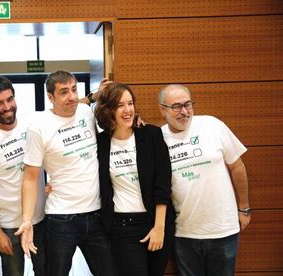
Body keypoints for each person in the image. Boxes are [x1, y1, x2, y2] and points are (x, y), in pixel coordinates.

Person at [15, 70, 116, 276]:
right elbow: (30, 177)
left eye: (73, 89)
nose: (71, 96)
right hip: (62, 219)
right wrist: (26, 220)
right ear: (50, 97)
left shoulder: (86, 112)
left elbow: (84, 103)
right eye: (63, 92)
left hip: (96, 214)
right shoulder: (38, 128)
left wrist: (95, 95)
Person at [158, 84, 251, 276]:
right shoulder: (157, 139)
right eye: (176, 106)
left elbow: (237, 167)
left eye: (188, 104)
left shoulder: (212, 125)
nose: (184, 112)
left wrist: (244, 208)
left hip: (223, 230)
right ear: (162, 110)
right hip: (184, 234)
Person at [94, 83, 175, 276]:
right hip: (122, 227)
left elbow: (162, 184)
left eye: (130, 103)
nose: (128, 110)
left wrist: (159, 228)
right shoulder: (101, 143)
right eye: (120, 105)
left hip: (157, 222)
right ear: (109, 110)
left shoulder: (151, 135)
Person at [0, 75, 46, 276]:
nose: (6, 107)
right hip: (8, 227)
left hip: (39, 220)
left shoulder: (31, 124)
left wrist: (92, 98)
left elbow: (60, 111)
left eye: (9, 99)